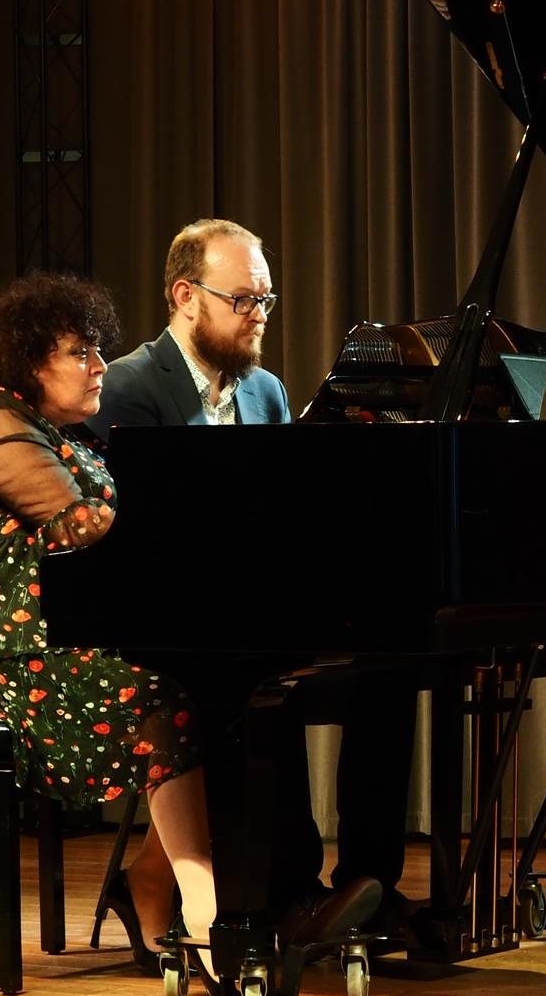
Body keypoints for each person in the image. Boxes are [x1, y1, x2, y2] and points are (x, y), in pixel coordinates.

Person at [86, 217, 418, 940]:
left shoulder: (265, 391)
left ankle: (368, 886)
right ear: (186, 296)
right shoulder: (130, 388)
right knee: (270, 677)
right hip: (162, 627)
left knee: (386, 675)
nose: (258, 315)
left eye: (266, 300)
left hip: (243, 614)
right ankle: (287, 893)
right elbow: (141, 543)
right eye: (242, 299)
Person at [0, 271, 213, 974]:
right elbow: (79, 524)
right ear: (28, 361)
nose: (100, 365)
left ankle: (155, 881)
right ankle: (205, 908)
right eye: (79, 352)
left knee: (221, 692)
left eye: (98, 349)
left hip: (64, 626)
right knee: (159, 691)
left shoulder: (59, 431)